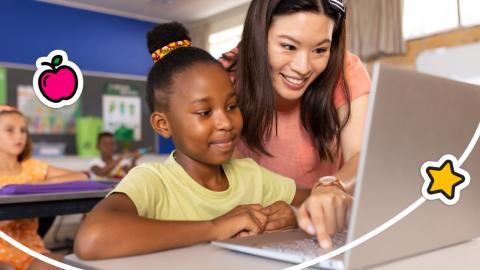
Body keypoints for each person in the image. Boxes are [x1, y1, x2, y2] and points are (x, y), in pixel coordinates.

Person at [74, 22, 310, 260]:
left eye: (231, 106)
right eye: (204, 112)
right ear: (163, 124)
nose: (226, 122)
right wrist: (216, 227)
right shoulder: (153, 181)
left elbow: (319, 202)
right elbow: (92, 238)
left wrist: (295, 214)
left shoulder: (251, 174)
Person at [219, 0, 371, 248]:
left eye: (320, 50)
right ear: (259, 34)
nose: (302, 68)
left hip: (318, 229)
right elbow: (226, 174)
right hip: (251, 227)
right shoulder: (224, 74)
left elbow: (362, 155)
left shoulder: (345, 68)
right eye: (288, 46)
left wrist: (332, 186)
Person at [0, 105, 88, 270]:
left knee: (63, 265)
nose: (19, 136)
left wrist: (37, 184)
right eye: (10, 130)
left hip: (31, 252)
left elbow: (82, 176)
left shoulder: (32, 169)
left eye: (23, 130)